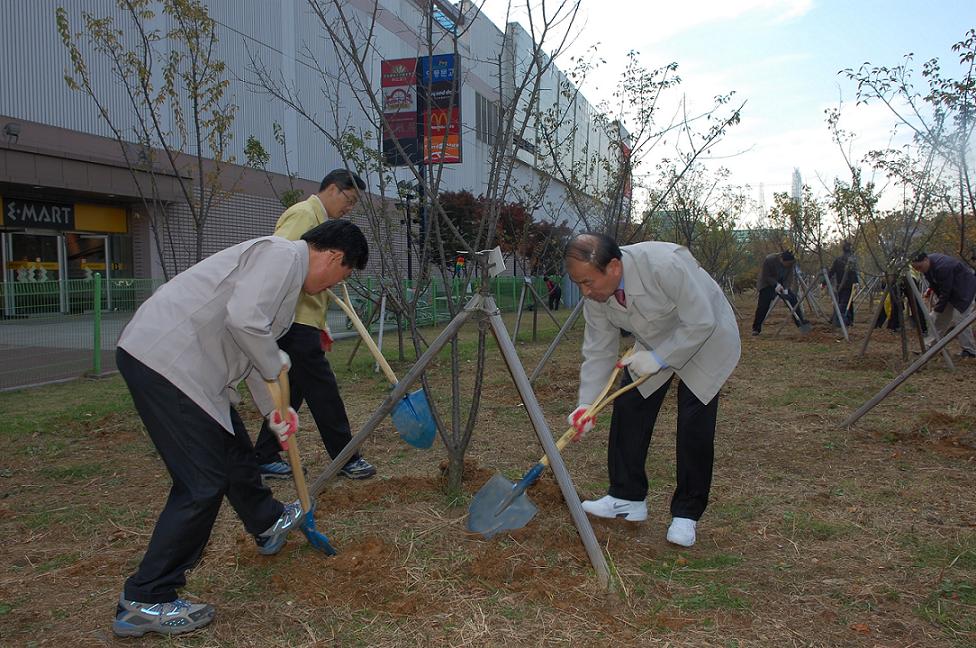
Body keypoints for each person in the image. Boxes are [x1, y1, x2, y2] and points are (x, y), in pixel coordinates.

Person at [112, 220, 370, 637]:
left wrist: (276, 412)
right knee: (202, 483)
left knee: (234, 450)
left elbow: (253, 351)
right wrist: (278, 364)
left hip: (198, 373)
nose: (332, 286)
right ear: (335, 257)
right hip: (169, 361)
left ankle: (267, 521)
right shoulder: (282, 256)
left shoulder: (285, 288)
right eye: (342, 276)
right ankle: (147, 597)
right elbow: (245, 322)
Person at [564, 233, 741, 547]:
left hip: (708, 337)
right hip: (656, 340)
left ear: (614, 267)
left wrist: (660, 359)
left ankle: (687, 514)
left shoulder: (664, 265)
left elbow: (701, 321)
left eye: (588, 282)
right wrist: (586, 405)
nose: (585, 291)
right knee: (630, 406)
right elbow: (599, 351)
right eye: (579, 283)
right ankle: (626, 497)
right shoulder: (597, 295)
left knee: (693, 422)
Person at [252, 169, 378, 480]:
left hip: (306, 319)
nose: (349, 207)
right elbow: (278, 259)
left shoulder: (323, 223)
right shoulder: (304, 214)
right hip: (293, 320)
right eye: (349, 199)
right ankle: (345, 457)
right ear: (333, 189)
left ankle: (265, 455)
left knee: (293, 388)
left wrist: (321, 324)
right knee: (322, 387)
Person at [910, 251, 976, 358]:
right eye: (916, 269)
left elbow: (945, 291)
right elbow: (935, 287)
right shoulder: (927, 267)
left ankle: (969, 351)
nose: (919, 270)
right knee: (939, 319)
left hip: (965, 290)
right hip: (951, 292)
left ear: (926, 260)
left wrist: (937, 309)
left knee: (960, 319)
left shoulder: (943, 266)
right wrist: (938, 309)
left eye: (920, 267)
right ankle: (931, 346)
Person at [751, 250, 809, 335]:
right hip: (767, 284)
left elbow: (789, 276)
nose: (788, 266)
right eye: (787, 264)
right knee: (763, 306)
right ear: (781, 259)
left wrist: (785, 288)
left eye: (790, 264)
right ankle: (756, 328)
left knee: (793, 299)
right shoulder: (769, 260)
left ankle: (801, 323)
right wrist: (775, 285)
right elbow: (766, 276)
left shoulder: (791, 263)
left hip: (782, 284)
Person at [828, 241, 859, 327]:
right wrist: (856, 283)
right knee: (845, 303)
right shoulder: (851, 261)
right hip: (848, 286)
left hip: (840, 285)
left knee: (845, 302)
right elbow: (854, 274)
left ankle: (847, 320)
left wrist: (825, 281)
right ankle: (840, 320)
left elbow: (831, 271)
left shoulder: (838, 260)